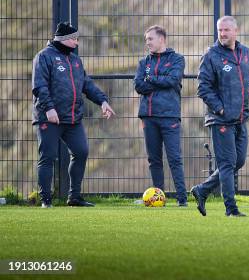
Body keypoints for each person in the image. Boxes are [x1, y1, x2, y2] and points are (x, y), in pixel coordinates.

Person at [191, 16, 249, 217]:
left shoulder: (245, 53)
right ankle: (231, 208)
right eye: (220, 30)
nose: (223, 34)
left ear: (236, 31)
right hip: (220, 119)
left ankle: (202, 190)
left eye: (227, 30)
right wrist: (220, 109)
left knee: (239, 161)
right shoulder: (211, 55)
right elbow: (203, 88)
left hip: (240, 118)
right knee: (227, 164)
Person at [32, 22, 116, 208]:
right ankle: (46, 200)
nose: (77, 43)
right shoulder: (43, 57)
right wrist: (49, 108)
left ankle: (74, 197)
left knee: (81, 152)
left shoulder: (76, 60)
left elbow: (87, 84)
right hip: (49, 117)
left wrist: (102, 101)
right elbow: (39, 86)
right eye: (75, 39)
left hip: (73, 118)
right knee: (48, 157)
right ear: (64, 39)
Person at [134, 25, 187, 206]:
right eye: (146, 39)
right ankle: (159, 198)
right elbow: (138, 86)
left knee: (174, 158)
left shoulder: (177, 59)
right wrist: (159, 81)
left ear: (162, 39)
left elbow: (173, 80)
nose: (147, 42)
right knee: (154, 159)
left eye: (150, 39)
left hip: (169, 116)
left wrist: (151, 80)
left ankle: (182, 199)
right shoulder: (143, 63)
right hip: (148, 116)